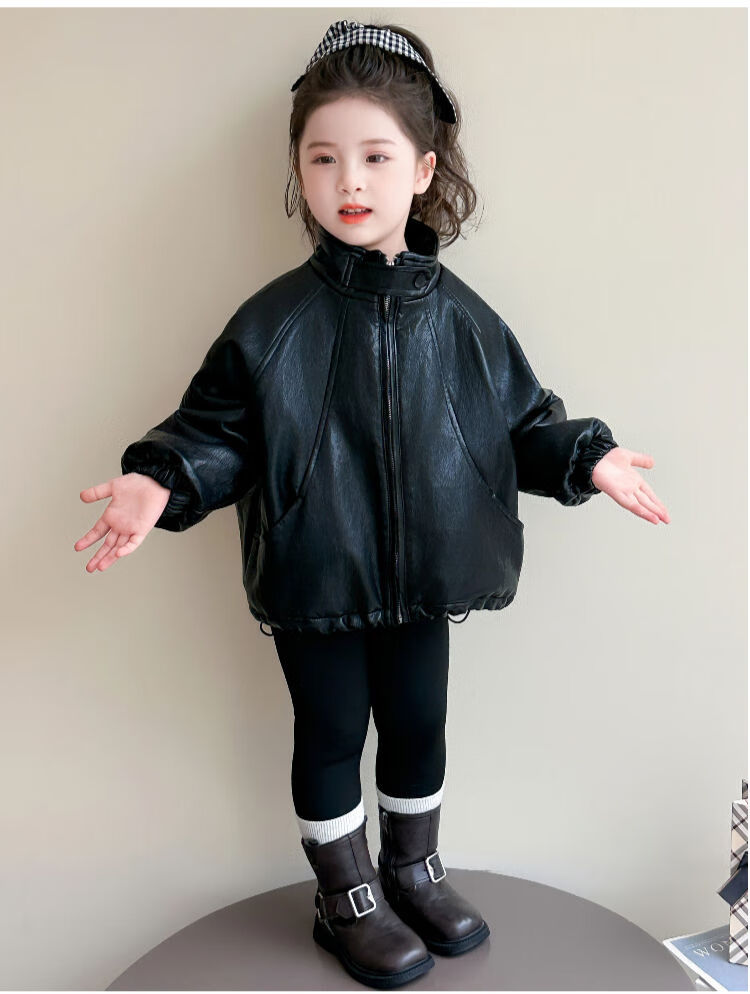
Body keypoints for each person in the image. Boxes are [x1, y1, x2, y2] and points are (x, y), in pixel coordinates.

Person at [74, 19, 670, 990]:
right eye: (323, 158)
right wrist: (161, 478)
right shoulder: (274, 322)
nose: (349, 181)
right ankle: (344, 893)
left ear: (423, 170)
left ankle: (412, 868)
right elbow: (218, 430)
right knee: (331, 734)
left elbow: (522, 421)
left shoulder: (465, 319)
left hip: (429, 577)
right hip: (317, 577)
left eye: (376, 156)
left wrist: (585, 456)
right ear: (299, 172)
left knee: (420, 722)